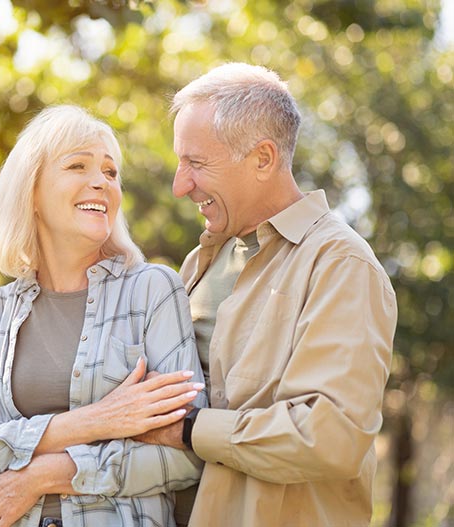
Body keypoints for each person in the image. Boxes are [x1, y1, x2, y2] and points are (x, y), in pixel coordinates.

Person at [137, 63, 398, 527]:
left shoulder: (340, 266)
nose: (180, 185)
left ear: (263, 158)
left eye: (196, 163)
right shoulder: (201, 261)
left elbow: (331, 436)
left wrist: (189, 430)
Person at [0, 105, 207, 527]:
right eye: (77, 165)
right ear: (31, 192)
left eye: (111, 172)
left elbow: (185, 455)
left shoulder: (152, 290)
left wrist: (45, 474)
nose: (100, 181)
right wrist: (97, 421)